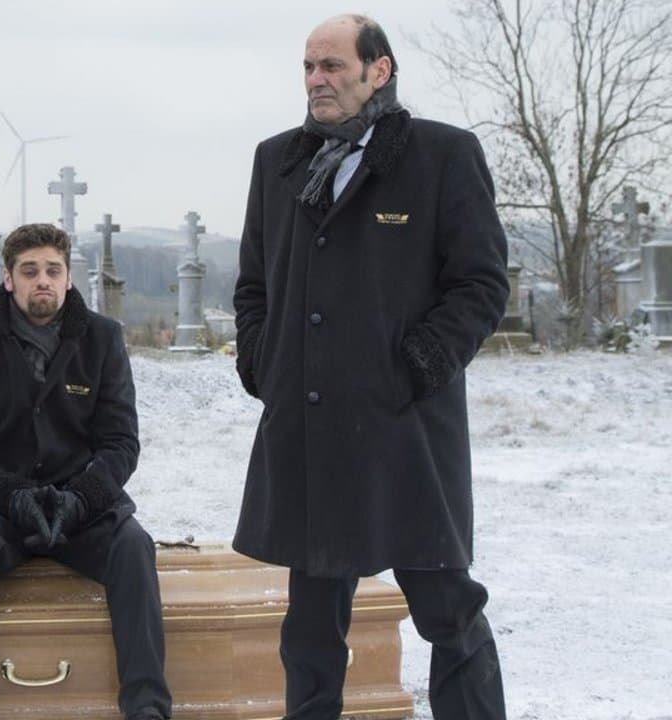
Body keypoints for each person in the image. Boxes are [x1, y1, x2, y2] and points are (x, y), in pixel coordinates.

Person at [232, 14, 510, 720]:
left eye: (332, 66)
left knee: (448, 610)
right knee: (310, 627)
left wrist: (417, 365)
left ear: (378, 70)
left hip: (402, 427)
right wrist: (263, 363)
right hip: (309, 427)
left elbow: (480, 285)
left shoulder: (442, 155)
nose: (316, 80)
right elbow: (254, 285)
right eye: (308, 67)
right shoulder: (277, 160)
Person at [0, 223, 172, 720]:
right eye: (29, 271)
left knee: (134, 545)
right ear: (8, 279)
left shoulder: (102, 338)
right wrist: (10, 495)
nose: (42, 280)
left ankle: (147, 706)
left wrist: (82, 498)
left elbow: (121, 442)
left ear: (67, 278)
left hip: (79, 505)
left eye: (52, 270)